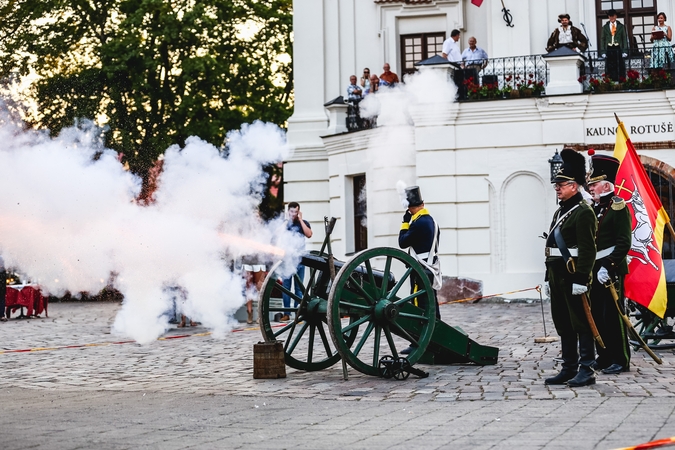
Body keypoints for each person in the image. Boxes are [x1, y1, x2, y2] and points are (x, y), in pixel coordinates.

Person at [543, 149, 598, 387]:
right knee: (563, 322)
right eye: (557, 184)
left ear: (574, 186)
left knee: (581, 322)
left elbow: (588, 250)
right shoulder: (561, 210)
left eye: (562, 184)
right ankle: (569, 367)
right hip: (557, 275)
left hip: (573, 275)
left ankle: (586, 369)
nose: (557, 187)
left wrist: (581, 279)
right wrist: (548, 277)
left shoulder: (583, 212)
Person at [587, 153, 632, 375]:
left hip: (610, 270)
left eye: (594, 184)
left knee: (613, 316)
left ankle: (620, 359)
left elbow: (624, 243)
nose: (590, 188)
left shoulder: (618, 207)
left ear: (606, 185)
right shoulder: (594, 208)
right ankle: (603, 356)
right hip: (595, 269)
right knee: (596, 315)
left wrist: (608, 265)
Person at [398, 186, 442, 354]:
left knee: (419, 306)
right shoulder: (431, 221)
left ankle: (419, 342)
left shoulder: (418, 223)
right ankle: (434, 338)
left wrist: (404, 222)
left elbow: (402, 242)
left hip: (420, 269)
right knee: (431, 304)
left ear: (410, 208)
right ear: (422, 203)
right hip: (430, 267)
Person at [281, 202, 312, 321]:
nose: (293, 214)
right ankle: (287, 313)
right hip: (287, 259)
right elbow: (278, 234)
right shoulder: (285, 224)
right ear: (288, 211)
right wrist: (286, 221)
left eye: (296, 212)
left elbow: (309, 234)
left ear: (299, 212)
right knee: (286, 287)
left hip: (300, 260)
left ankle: (299, 312)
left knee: (299, 288)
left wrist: (301, 220)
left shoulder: (303, 223)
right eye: (292, 211)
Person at [600, 9, 628, 81]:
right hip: (609, 48)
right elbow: (602, 39)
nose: (611, 17)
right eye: (610, 16)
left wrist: (625, 51)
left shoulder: (621, 26)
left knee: (619, 66)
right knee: (609, 66)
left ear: (616, 16)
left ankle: (621, 82)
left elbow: (624, 38)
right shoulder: (605, 27)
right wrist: (603, 52)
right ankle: (610, 82)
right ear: (608, 17)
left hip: (618, 47)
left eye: (613, 16)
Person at [242, 256, 267, 324]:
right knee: (248, 288)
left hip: (259, 260)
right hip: (246, 260)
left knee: (260, 288)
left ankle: (260, 314)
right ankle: (250, 313)